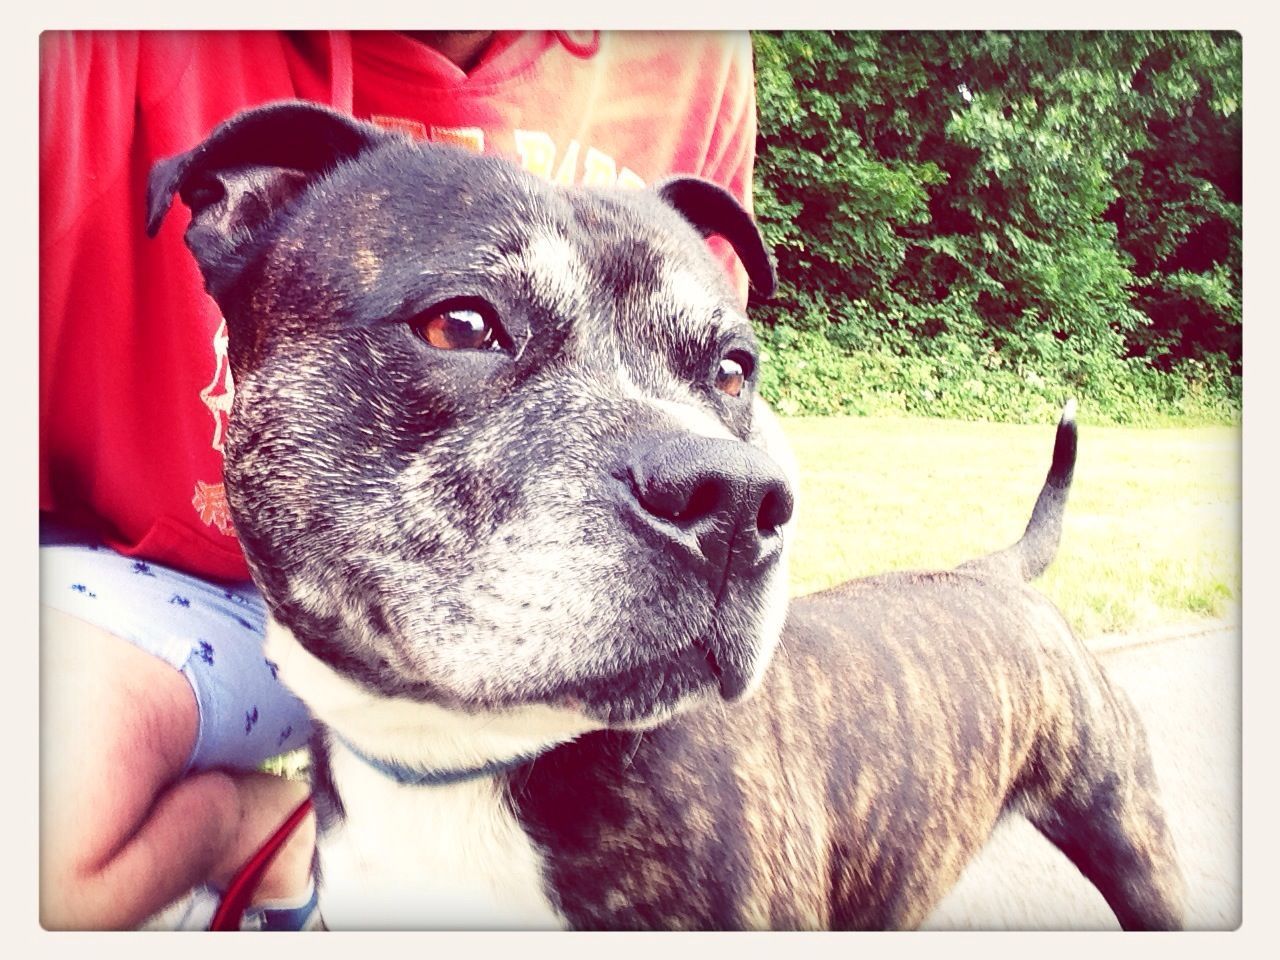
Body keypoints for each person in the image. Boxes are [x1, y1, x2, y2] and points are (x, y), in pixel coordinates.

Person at [39, 29, 760, 930]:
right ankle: (261, 833)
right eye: (467, 325)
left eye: (730, 372)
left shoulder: (689, 49)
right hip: (143, 567)